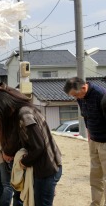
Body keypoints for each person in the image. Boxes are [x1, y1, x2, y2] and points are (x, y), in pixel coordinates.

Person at [0, 88, 62, 206]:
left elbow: (38, 146)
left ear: (4, 106)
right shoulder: (17, 114)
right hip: (39, 168)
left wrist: (22, 163)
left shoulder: (24, 114)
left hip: (47, 168)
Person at [64, 77, 106, 206]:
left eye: (76, 94)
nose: (76, 98)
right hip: (93, 140)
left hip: (105, 142)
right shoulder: (80, 98)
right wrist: (89, 136)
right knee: (95, 177)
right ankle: (96, 203)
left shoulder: (101, 95)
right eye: (73, 96)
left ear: (83, 87)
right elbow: (86, 117)